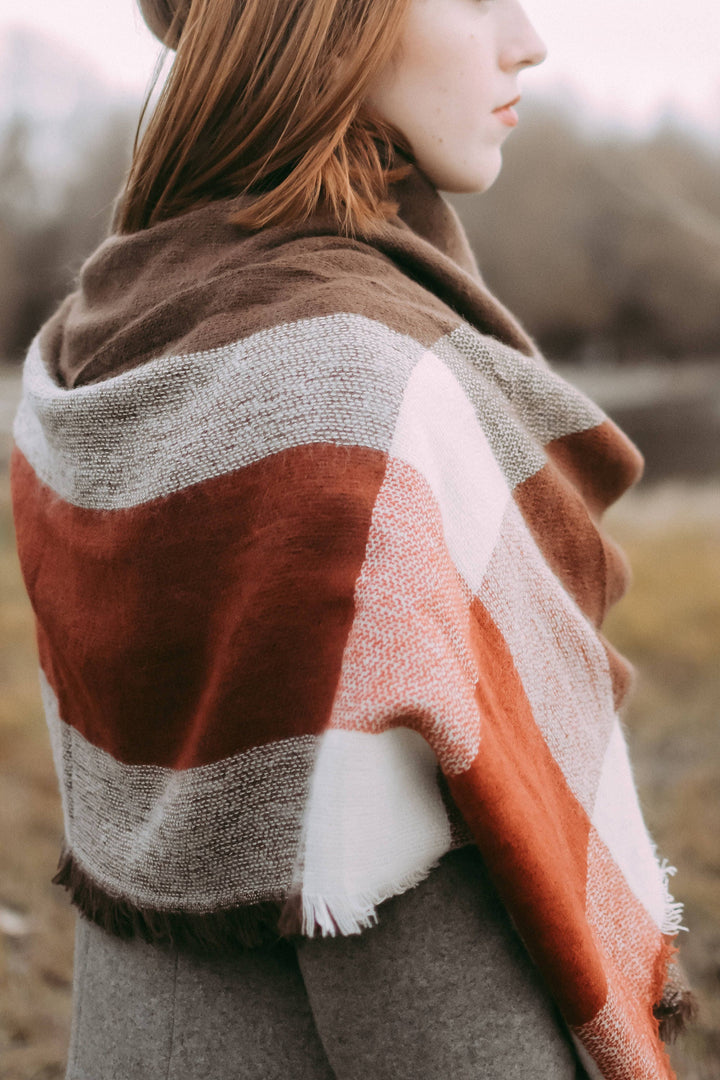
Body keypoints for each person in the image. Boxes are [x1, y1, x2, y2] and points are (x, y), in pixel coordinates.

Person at [9, 0, 694, 1077]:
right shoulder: (355, 408)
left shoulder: (96, 344)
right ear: (323, 18)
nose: (527, 38)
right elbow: (451, 1030)